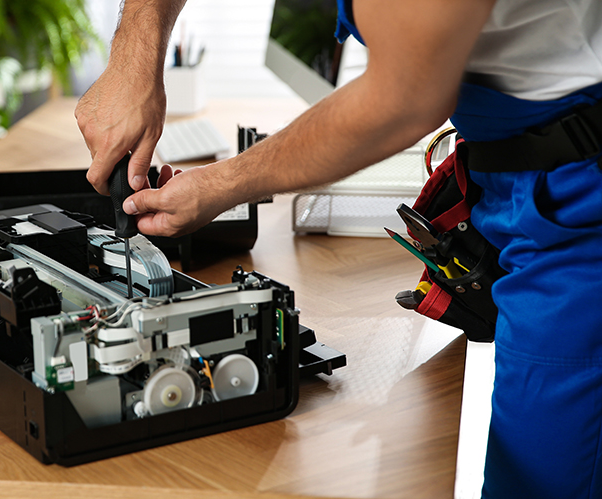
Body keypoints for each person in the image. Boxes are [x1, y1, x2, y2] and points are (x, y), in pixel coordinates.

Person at [75, 1, 602, 498]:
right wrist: (133, 57)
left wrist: (219, 186)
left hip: (577, 205)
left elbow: (402, 100)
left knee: (541, 479)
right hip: (515, 177)